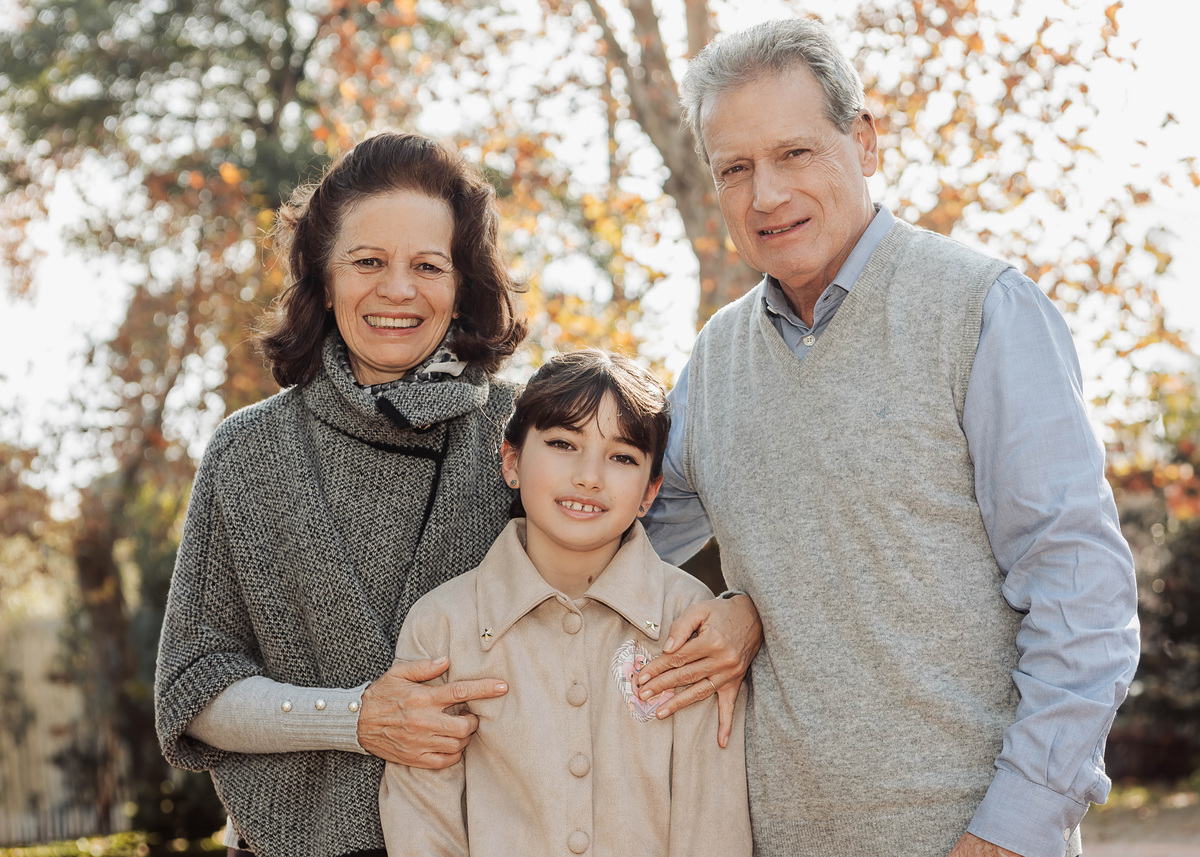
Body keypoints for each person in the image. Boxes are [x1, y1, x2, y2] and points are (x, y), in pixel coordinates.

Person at [636, 17, 1140, 857]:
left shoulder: (982, 310)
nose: (766, 195)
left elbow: (1081, 594)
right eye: (735, 168)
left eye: (795, 152)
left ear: (865, 141)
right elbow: (603, 549)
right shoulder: (714, 363)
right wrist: (732, 609)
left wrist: (1013, 831)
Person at [154, 132, 529, 857]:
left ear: (462, 287)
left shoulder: (521, 436)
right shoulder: (249, 453)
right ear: (325, 281)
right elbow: (192, 688)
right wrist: (355, 716)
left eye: (428, 265)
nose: (398, 290)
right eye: (368, 262)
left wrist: (736, 614)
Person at [378, 349, 752, 856]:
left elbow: (712, 820)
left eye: (622, 457)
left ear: (650, 492)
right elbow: (423, 825)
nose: (589, 476)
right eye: (562, 443)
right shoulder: (441, 623)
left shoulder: (690, 618)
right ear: (511, 461)